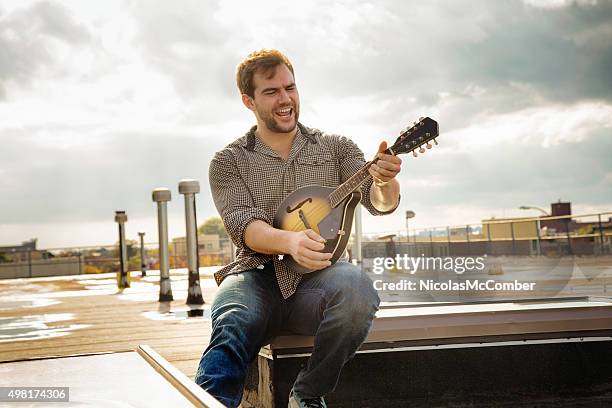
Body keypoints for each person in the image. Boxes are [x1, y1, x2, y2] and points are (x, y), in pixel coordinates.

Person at [195, 49, 402, 408]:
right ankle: (206, 402)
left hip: (318, 279)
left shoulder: (337, 148)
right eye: (271, 91)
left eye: (290, 87)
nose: (285, 99)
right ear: (249, 100)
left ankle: (307, 393)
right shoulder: (228, 161)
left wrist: (385, 181)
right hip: (254, 276)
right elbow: (243, 225)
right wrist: (289, 241)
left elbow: (378, 202)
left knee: (357, 290)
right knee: (232, 319)